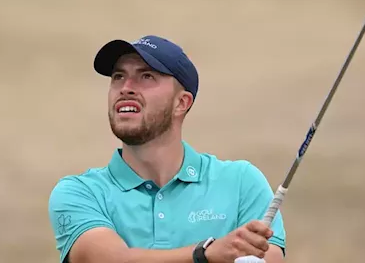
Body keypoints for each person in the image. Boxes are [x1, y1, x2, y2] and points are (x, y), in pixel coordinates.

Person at [48, 35, 287, 263]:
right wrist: (206, 254)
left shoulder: (241, 182)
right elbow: (110, 259)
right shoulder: (80, 193)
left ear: (181, 103)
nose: (126, 87)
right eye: (118, 76)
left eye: (147, 76)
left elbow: (270, 257)